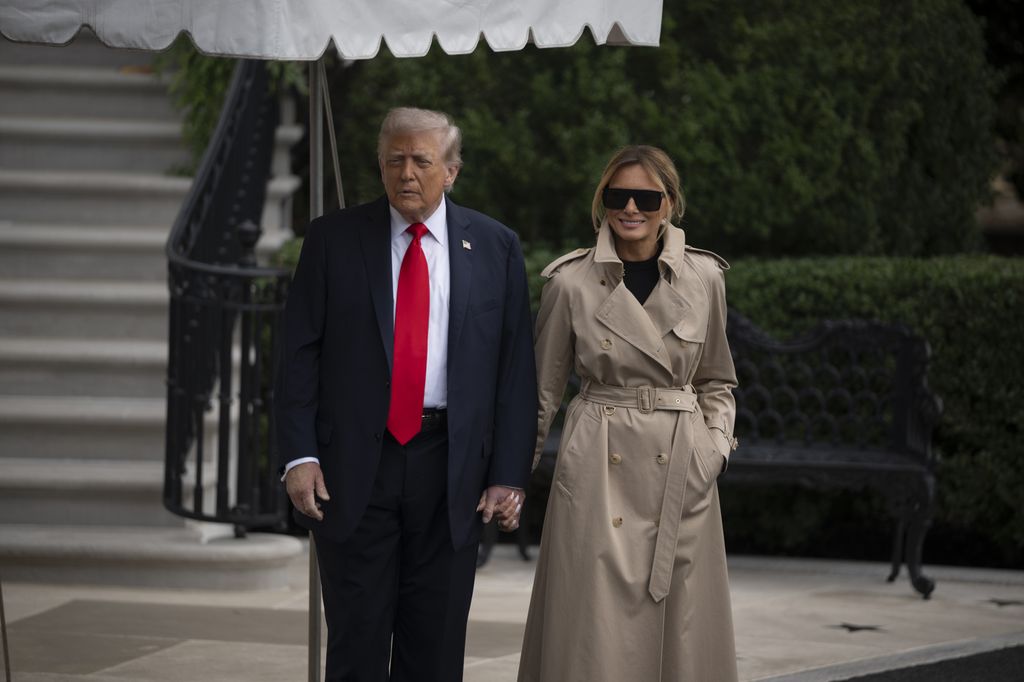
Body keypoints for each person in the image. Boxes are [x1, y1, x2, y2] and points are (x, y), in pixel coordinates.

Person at [276, 107, 537, 682]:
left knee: (436, 649)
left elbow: (516, 372)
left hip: (452, 469)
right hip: (351, 470)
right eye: (395, 159)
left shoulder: (495, 247)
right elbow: (298, 357)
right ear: (380, 165)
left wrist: (508, 473)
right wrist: (299, 456)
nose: (407, 173)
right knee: (357, 643)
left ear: (452, 171)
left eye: (422, 160)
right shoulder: (333, 240)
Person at [518, 145, 740, 681]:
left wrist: (714, 450)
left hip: (683, 467)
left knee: (682, 629)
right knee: (593, 628)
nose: (632, 208)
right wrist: (510, 480)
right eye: (619, 196)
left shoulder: (705, 277)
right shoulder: (570, 283)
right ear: (603, 201)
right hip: (598, 469)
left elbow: (717, 380)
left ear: (669, 203)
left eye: (647, 196)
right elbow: (540, 395)